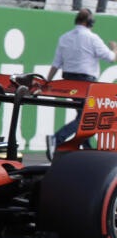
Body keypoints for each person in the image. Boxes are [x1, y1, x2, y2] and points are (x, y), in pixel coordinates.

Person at [45, 8, 117, 159]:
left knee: (84, 115)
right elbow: (110, 58)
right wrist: (115, 48)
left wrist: (47, 81)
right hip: (86, 82)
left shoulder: (64, 37)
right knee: (90, 117)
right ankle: (57, 138)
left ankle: (87, 150)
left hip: (69, 81)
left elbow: (56, 63)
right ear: (89, 22)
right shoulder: (92, 38)